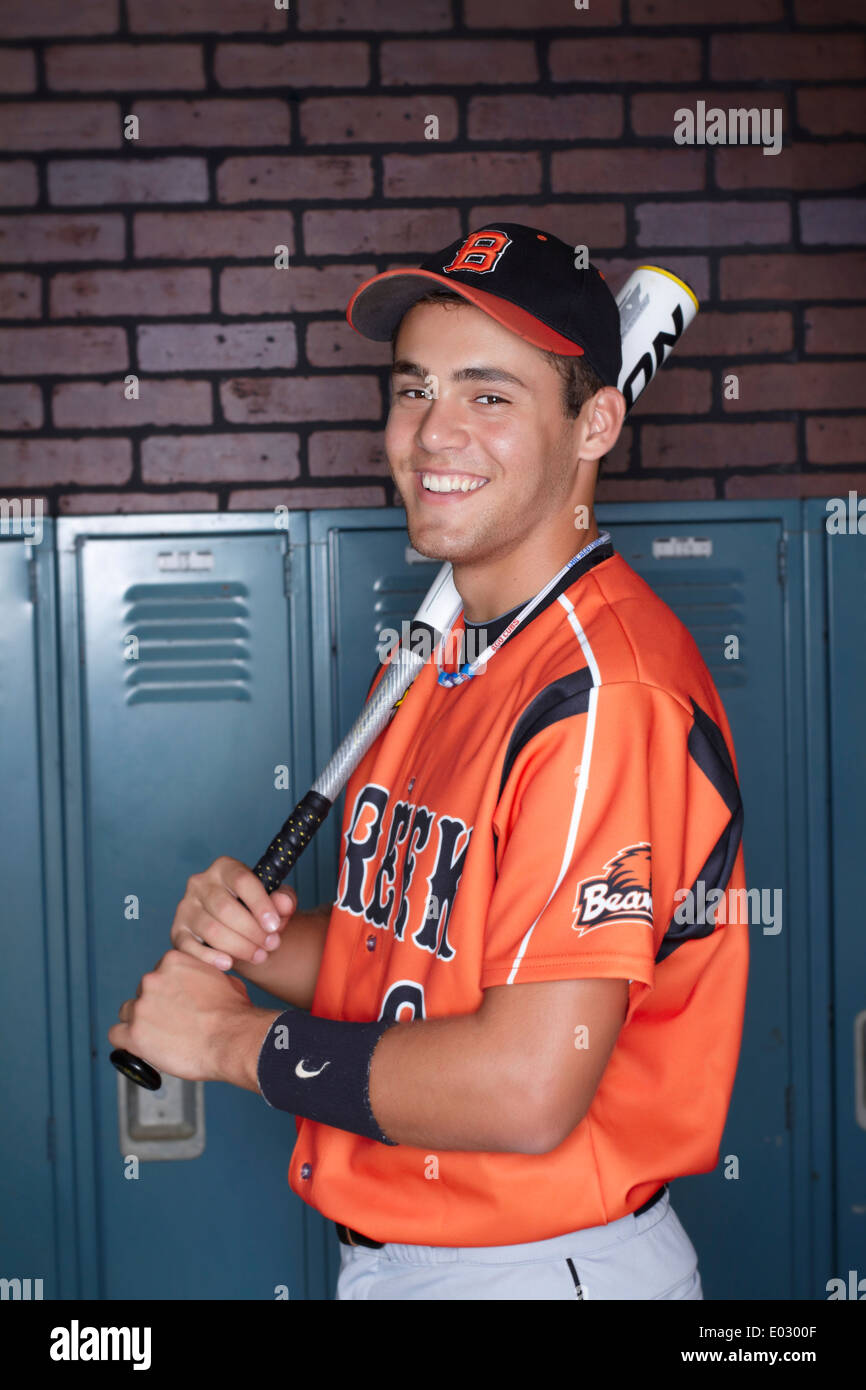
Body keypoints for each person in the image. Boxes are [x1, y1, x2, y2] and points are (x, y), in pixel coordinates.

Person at [110, 223, 749, 1301]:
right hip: (415, 1258)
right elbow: (400, 960)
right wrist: (260, 942)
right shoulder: (431, 660)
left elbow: (526, 1085)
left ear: (594, 420)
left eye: (488, 395)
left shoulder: (601, 695)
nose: (431, 433)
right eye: (413, 389)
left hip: (538, 1267)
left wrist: (235, 1042)